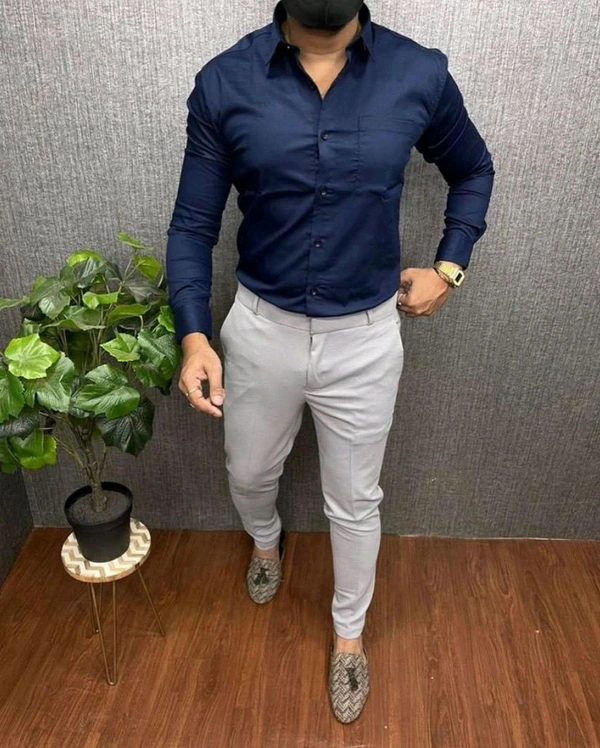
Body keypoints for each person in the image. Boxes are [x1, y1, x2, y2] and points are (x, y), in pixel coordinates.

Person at [166, 0, 494, 724]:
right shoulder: (225, 81)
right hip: (261, 329)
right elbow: (192, 224)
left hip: (366, 338)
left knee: (355, 499)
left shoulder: (418, 73)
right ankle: (266, 543)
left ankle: (349, 633)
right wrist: (193, 336)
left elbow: (473, 169)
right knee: (248, 472)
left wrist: (450, 266)